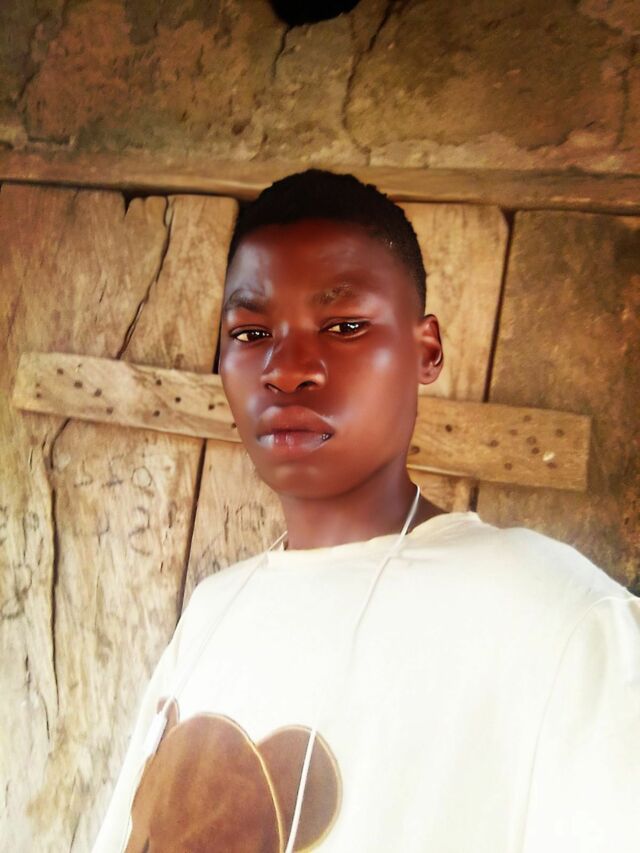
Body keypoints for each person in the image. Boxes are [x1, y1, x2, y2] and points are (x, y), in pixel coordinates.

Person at [93, 170, 640, 853]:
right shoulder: (215, 609)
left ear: (426, 351)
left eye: (345, 325)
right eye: (252, 331)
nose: (286, 368)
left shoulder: (557, 618)